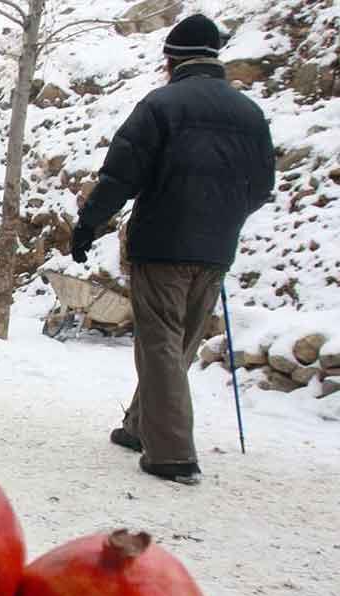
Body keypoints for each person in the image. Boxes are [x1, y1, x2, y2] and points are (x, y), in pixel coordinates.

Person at [70, 14, 275, 485]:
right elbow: (262, 186)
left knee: (160, 342)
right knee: (178, 344)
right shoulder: (249, 114)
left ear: (171, 60)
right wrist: (224, 216)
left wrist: (88, 225)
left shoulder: (161, 105)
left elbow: (120, 176)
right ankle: (141, 426)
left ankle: (173, 454)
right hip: (217, 248)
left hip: (163, 243)